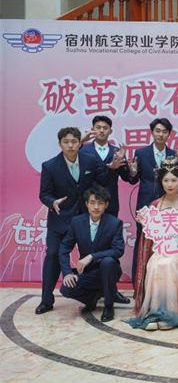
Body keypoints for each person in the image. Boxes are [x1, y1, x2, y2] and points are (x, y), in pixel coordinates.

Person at [36, 127, 122, 315]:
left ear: (80, 143)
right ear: (59, 144)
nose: (70, 145)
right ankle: (46, 300)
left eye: (74, 141)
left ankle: (109, 292)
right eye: (66, 142)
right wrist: (52, 202)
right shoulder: (50, 165)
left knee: (102, 256)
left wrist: (113, 169)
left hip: (87, 217)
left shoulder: (89, 159)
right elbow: (44, 194)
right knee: (53, 254)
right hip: (60, 218)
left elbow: (103, 179)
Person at [126, 156, 178, 330]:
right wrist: (145, 223)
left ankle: (171, 313)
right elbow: (151, 234)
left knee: (169, 265)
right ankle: (155, 311)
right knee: (154, 264)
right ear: (160, 181)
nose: (169, 184)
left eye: (173, 180)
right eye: (166, 180)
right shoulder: (155, 205)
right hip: (160, 249)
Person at [79, 115, 131, 305]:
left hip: (110, 205)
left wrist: (126, 166)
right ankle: (91, 290)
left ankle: (112, 290)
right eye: (98, 127)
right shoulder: (83, 150)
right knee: (89, 247)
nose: (101, 130)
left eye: (105, 127)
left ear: (111, 131)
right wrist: (80, 142)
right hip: (88, 204)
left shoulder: (117, 151)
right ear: (93, 129)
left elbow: (128, 177)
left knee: (110, 249)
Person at [59, 187, 124, 322]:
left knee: (108, 261)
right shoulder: (77, 222)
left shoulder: (114, 223)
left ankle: (108, 306)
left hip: (109, 271)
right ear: (86, 204)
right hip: (88, 273)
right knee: (66, 288)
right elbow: (64, 247)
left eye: (100, 203)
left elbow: (118, 250)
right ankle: (92, 298)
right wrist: (67, 273)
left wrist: (92, 256)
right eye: (92, 203)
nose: (96, 207)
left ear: (106, 205)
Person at [127, 118, 176, 287]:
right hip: (145, 205)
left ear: (169, 134)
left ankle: (163, 284)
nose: (161, 134)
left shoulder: (174, 155)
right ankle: (138, 284)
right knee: (142, 242)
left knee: (166, 242)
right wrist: (133, 173)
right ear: (152, 132)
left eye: (164, 131)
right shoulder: (141, 153)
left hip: (168, 204)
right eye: (157, 131)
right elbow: (133, 181)